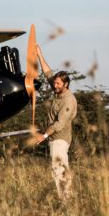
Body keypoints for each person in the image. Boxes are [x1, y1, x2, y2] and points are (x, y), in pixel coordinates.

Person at [36, 60, 77, 201]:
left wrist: (44, 135)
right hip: (54, 139)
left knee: (59, 169)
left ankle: (66, 200)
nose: (54, 85)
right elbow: (48, 74)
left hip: (60, 138)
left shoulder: (69, 100)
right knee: (56, 169)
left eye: (58, 83)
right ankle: (66, 198)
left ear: (65, 85)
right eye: (54, 83)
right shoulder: (57, 91)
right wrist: (39, 55)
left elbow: (59, 124)